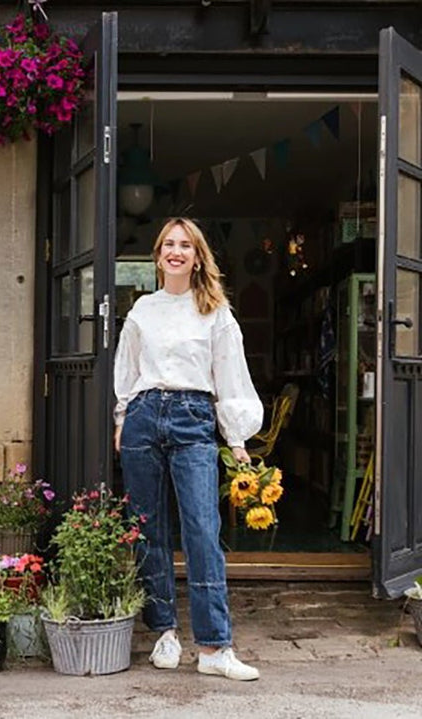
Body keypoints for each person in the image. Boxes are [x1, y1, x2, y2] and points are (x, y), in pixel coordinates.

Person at [113, 217, 263, 681]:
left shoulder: (215, 311)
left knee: (202, 529)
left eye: (185, 245)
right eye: (168, 245)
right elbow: (127, 367)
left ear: (197, 256)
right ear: (158, 255)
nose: (176, 252)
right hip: (143, 415)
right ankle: (164, 633)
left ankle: (215, 647)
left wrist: (236, 439)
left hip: (193, 416)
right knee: (149, 529)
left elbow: (229, 373)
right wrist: (122, 419)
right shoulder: (142, 310)